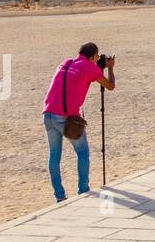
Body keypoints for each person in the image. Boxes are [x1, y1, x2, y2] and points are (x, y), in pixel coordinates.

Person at [41, 43, 115, 202]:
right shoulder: (90, 68)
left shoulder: (65, 63)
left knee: (54, 155)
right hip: (67, 118)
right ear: (94, 56)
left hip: (48, 113)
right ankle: (83, 190)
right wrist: (109, 67)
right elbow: (110, 86)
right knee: (82, 153)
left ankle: (59, 196)